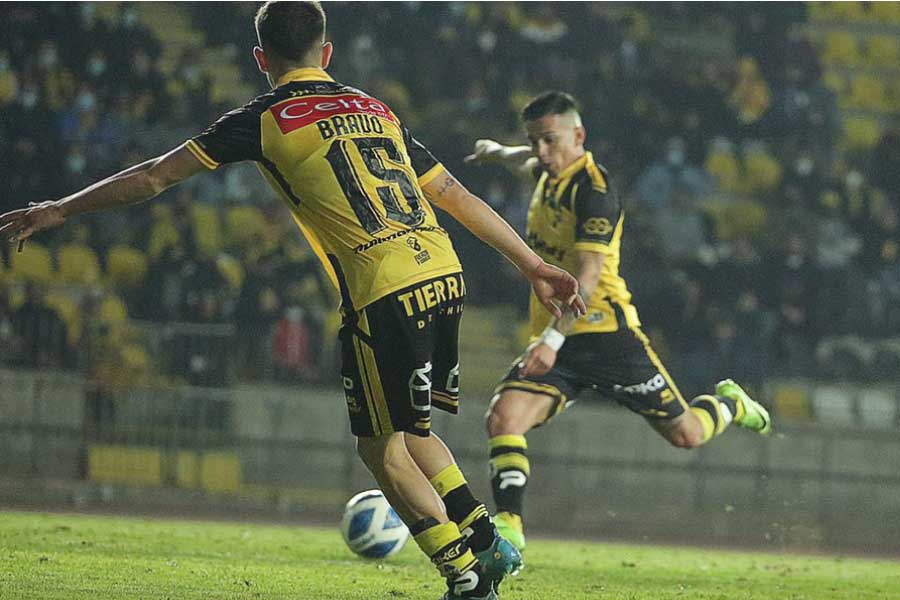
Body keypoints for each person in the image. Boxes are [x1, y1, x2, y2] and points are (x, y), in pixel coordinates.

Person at [0, 4, 588, 599]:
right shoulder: (375, 108)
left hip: (382, 287)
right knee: (411, 431)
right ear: (326, 54)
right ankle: (484, 538)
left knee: (380, 451)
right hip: (443, 271)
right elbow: (453, 193)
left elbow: (154, 176)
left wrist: (61, 208)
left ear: (261, 59)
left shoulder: (264, 116)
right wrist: (534, 265)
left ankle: (465, 576)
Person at [465, 91, 771, 551]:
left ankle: (731, 403)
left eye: (550, 140)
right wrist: (494, 151)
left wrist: (550, 339)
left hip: (606, 336)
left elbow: (586, 278)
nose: (542, 152)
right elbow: (520, 158)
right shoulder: (546, 172)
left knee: (686, 434)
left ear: (579, 136)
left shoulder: (595, 192)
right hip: (560, 345)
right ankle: (509, 527)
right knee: (503, 418)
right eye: (536, 142)